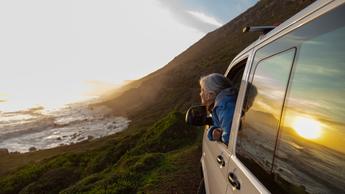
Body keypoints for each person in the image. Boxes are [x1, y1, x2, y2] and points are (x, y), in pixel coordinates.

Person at [199, 73, 237, 145]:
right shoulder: (220, 105)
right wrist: (212, 131)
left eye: (202, 90)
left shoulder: (223, 106)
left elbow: (229, 138)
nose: (200, 94)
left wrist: (220, 136)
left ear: (211, 94)